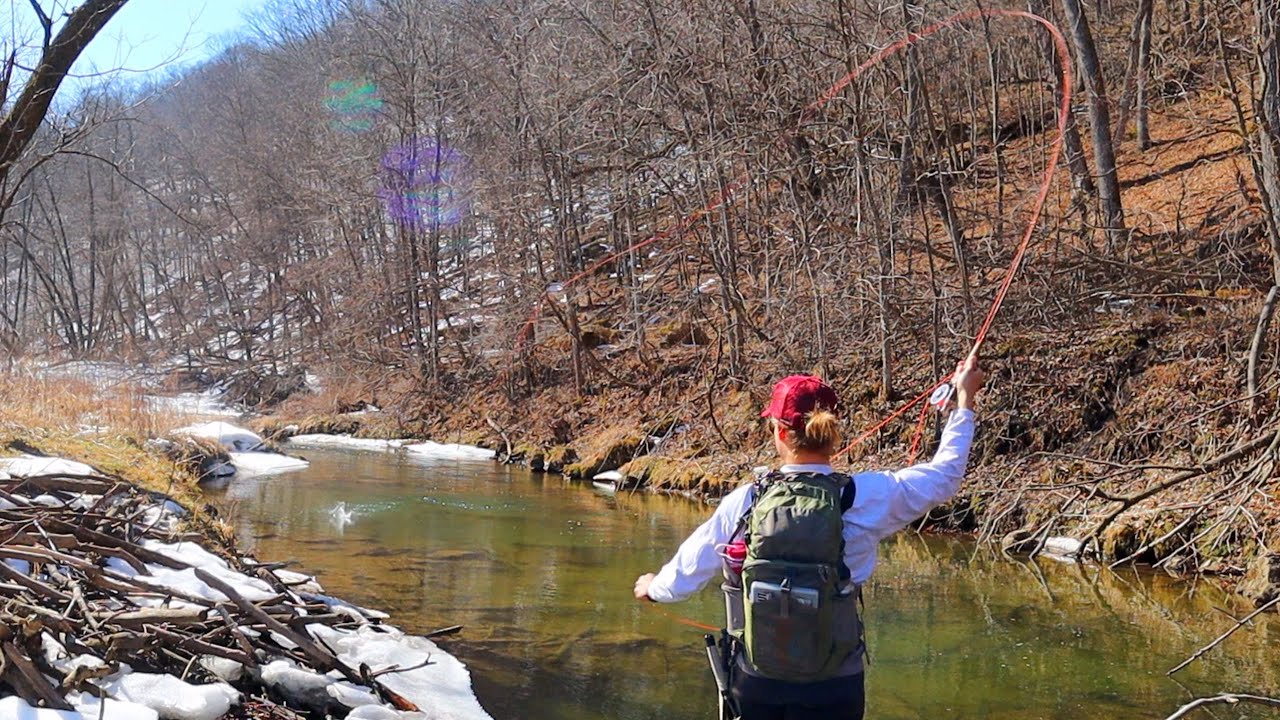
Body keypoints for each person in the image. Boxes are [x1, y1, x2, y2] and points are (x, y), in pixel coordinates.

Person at [633, 356, 984, 720]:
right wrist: (964, 400)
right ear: (833, 431)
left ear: (781, 433)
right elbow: (946, 476)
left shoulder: (747, 500)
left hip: (757, 680)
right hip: (835, 684)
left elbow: (692, 565)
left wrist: (655, 588)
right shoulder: (866, 497)